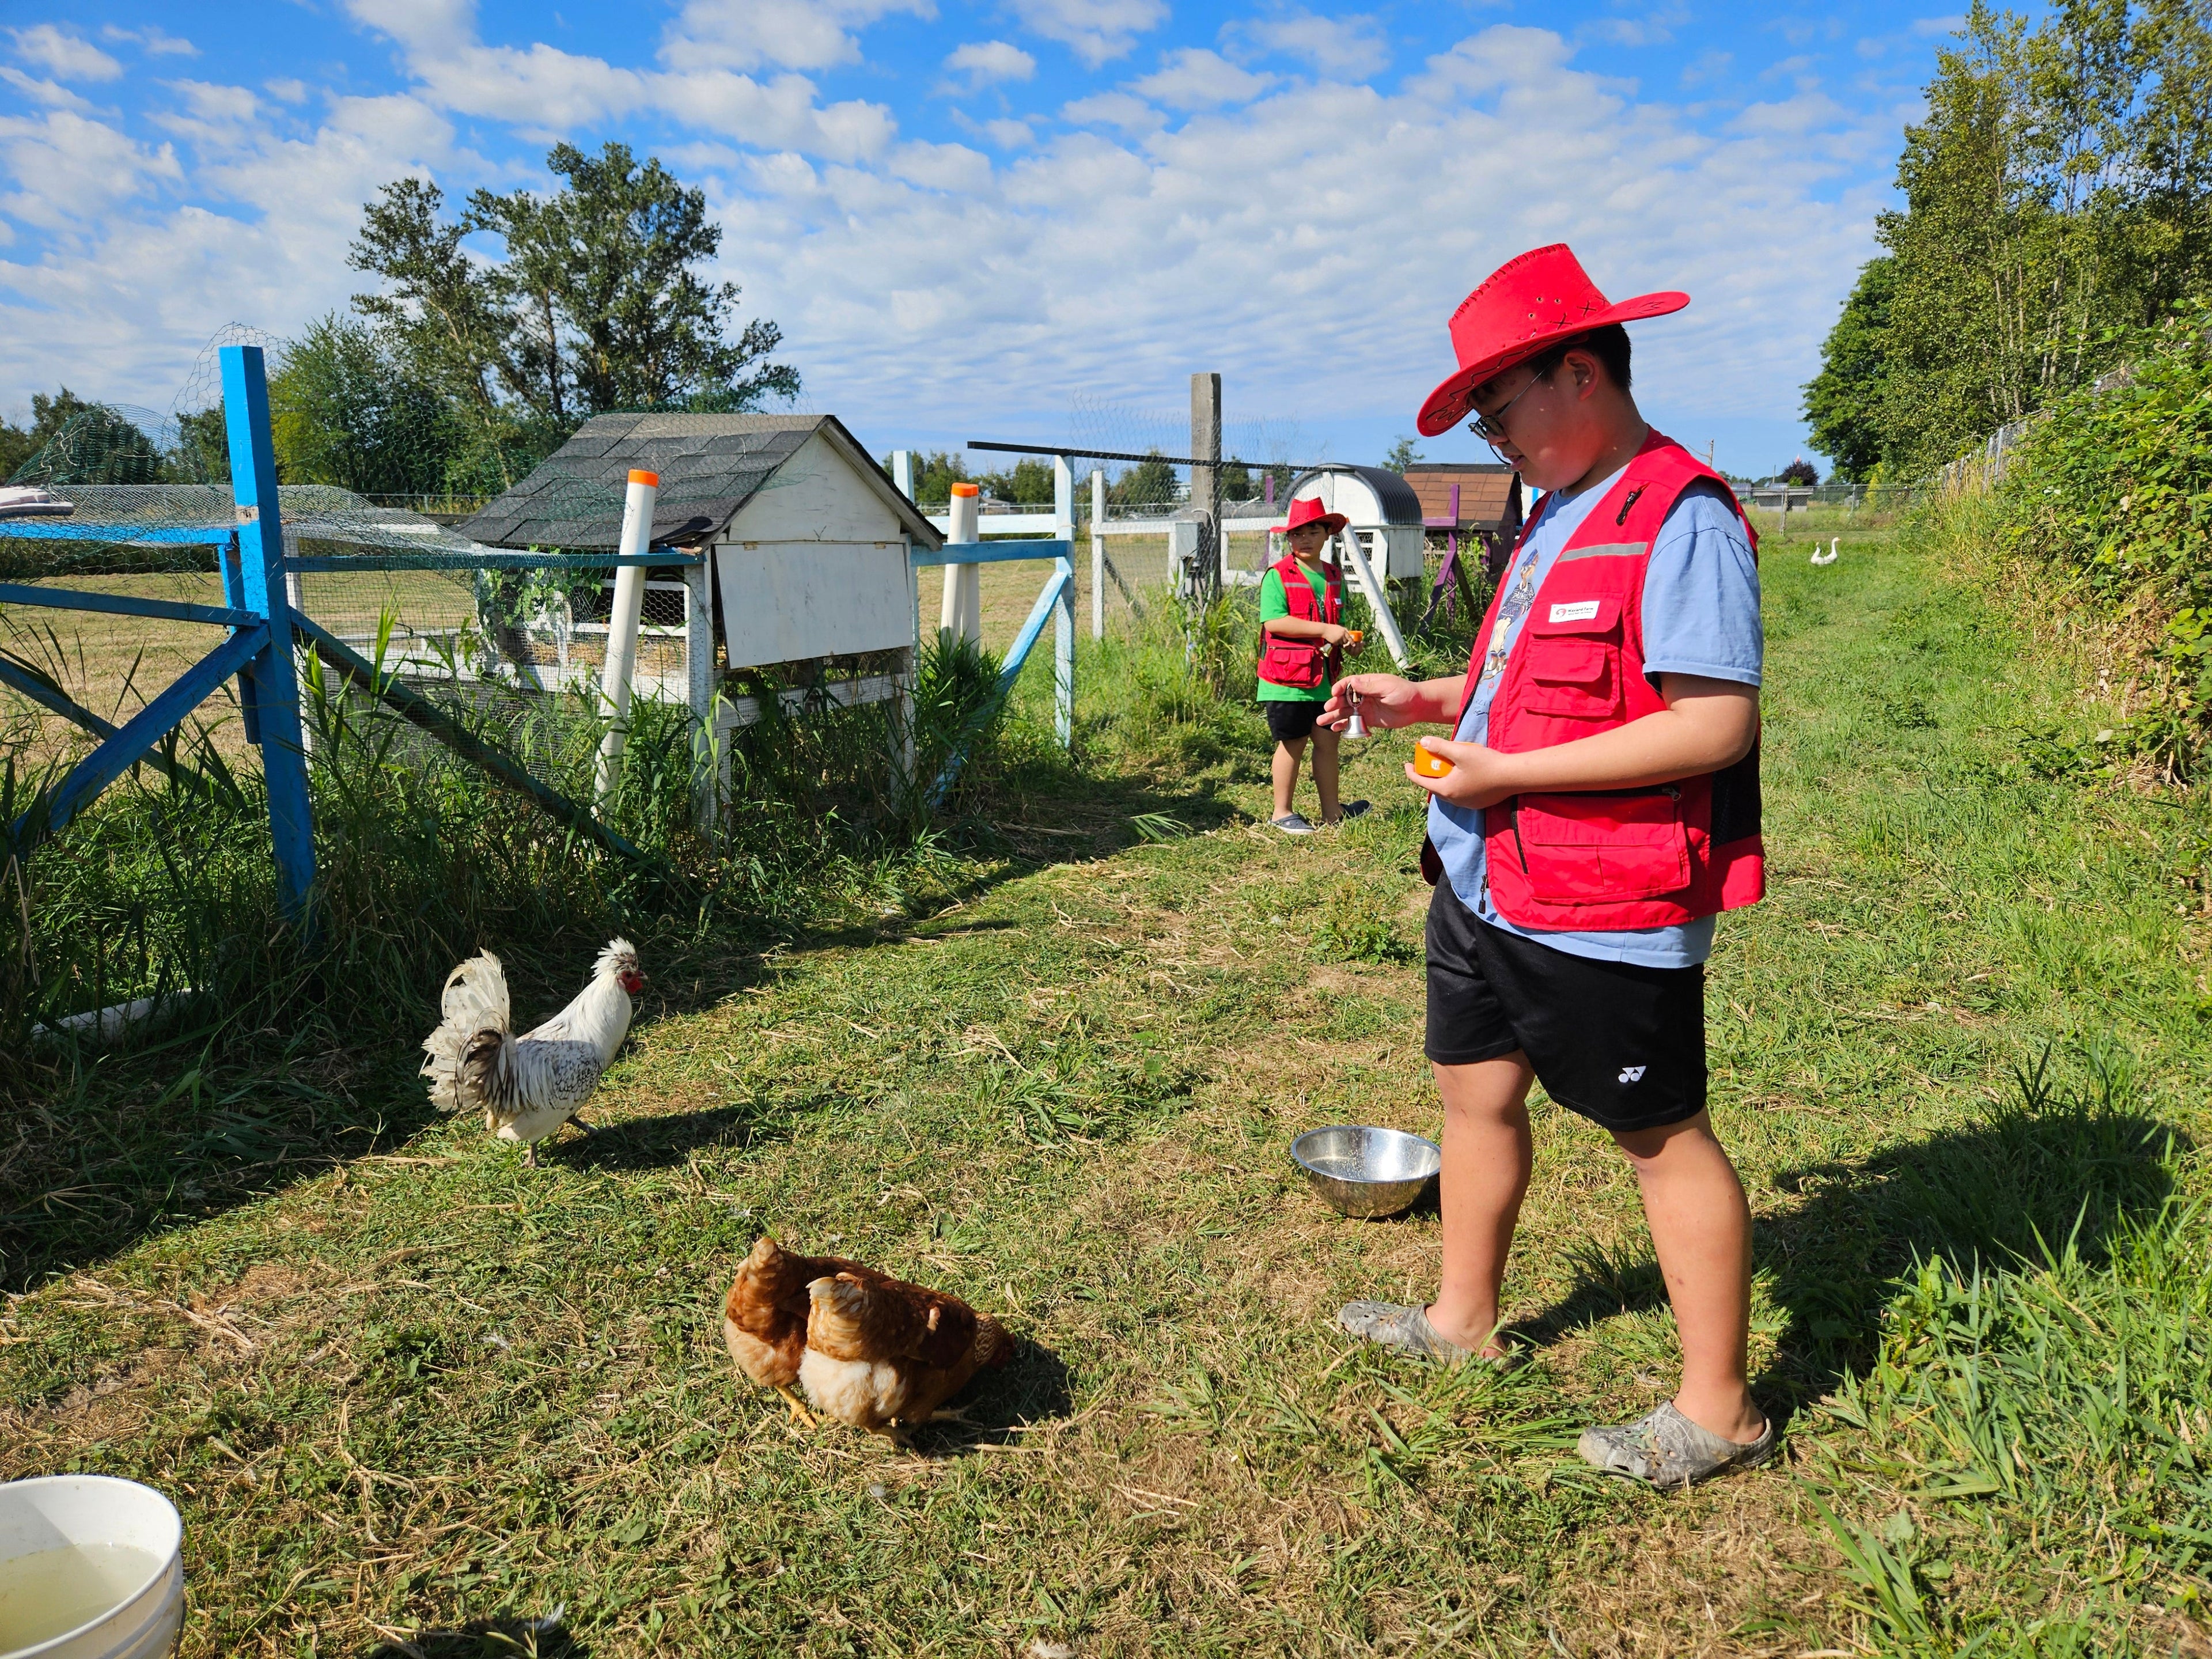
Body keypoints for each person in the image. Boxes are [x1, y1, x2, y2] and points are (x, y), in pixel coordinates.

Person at [1324, 244, 1773, 1488]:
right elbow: (1516, 682)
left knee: (1660, 1135)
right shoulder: (1553, 515)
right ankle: (1462, 1323)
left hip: (1605, 899)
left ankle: (1719, 1409)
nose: (1491, 435)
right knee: (1475, 1095)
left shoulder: (1677, 516)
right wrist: (1421, 699)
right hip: (1484, 878)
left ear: (1581, 375)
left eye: (1498, 408)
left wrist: (1508, 775)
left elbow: (1710, 723)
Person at [1257, 496, 1369, 834]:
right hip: (1286, 679)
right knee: (1292, 743)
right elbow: (1274, 621)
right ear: (1288, 539)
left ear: (1326, 535)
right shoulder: (1278, 575)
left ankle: (1332, 812)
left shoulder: (1334, 576)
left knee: (1327, 743)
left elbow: (1341, 621)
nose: (1304, 539)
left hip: (1324, 679)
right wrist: (1326, 630)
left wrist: (1349, 642)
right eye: (1296, 534)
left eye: (1312, 531)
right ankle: (1282, 813)